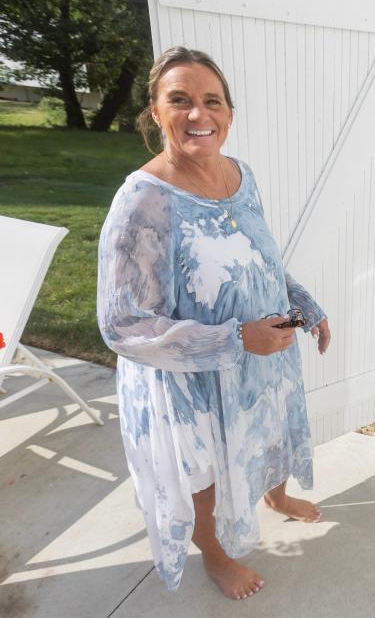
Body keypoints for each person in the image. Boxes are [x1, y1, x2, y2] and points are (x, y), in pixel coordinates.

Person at [96, 46, 332, 600]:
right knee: (201, 478)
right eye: (179, 101)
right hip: (192, 379)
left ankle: (274, 497)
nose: (198, 115)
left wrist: (305, 303)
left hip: (261, 355)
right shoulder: (143, 202)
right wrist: (234, 339)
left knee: (272, 429)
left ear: (229, 113)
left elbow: (261, 259)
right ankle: (216, 555)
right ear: (156, 113)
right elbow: (122, 325)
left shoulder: (240, 175)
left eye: (212, 101)